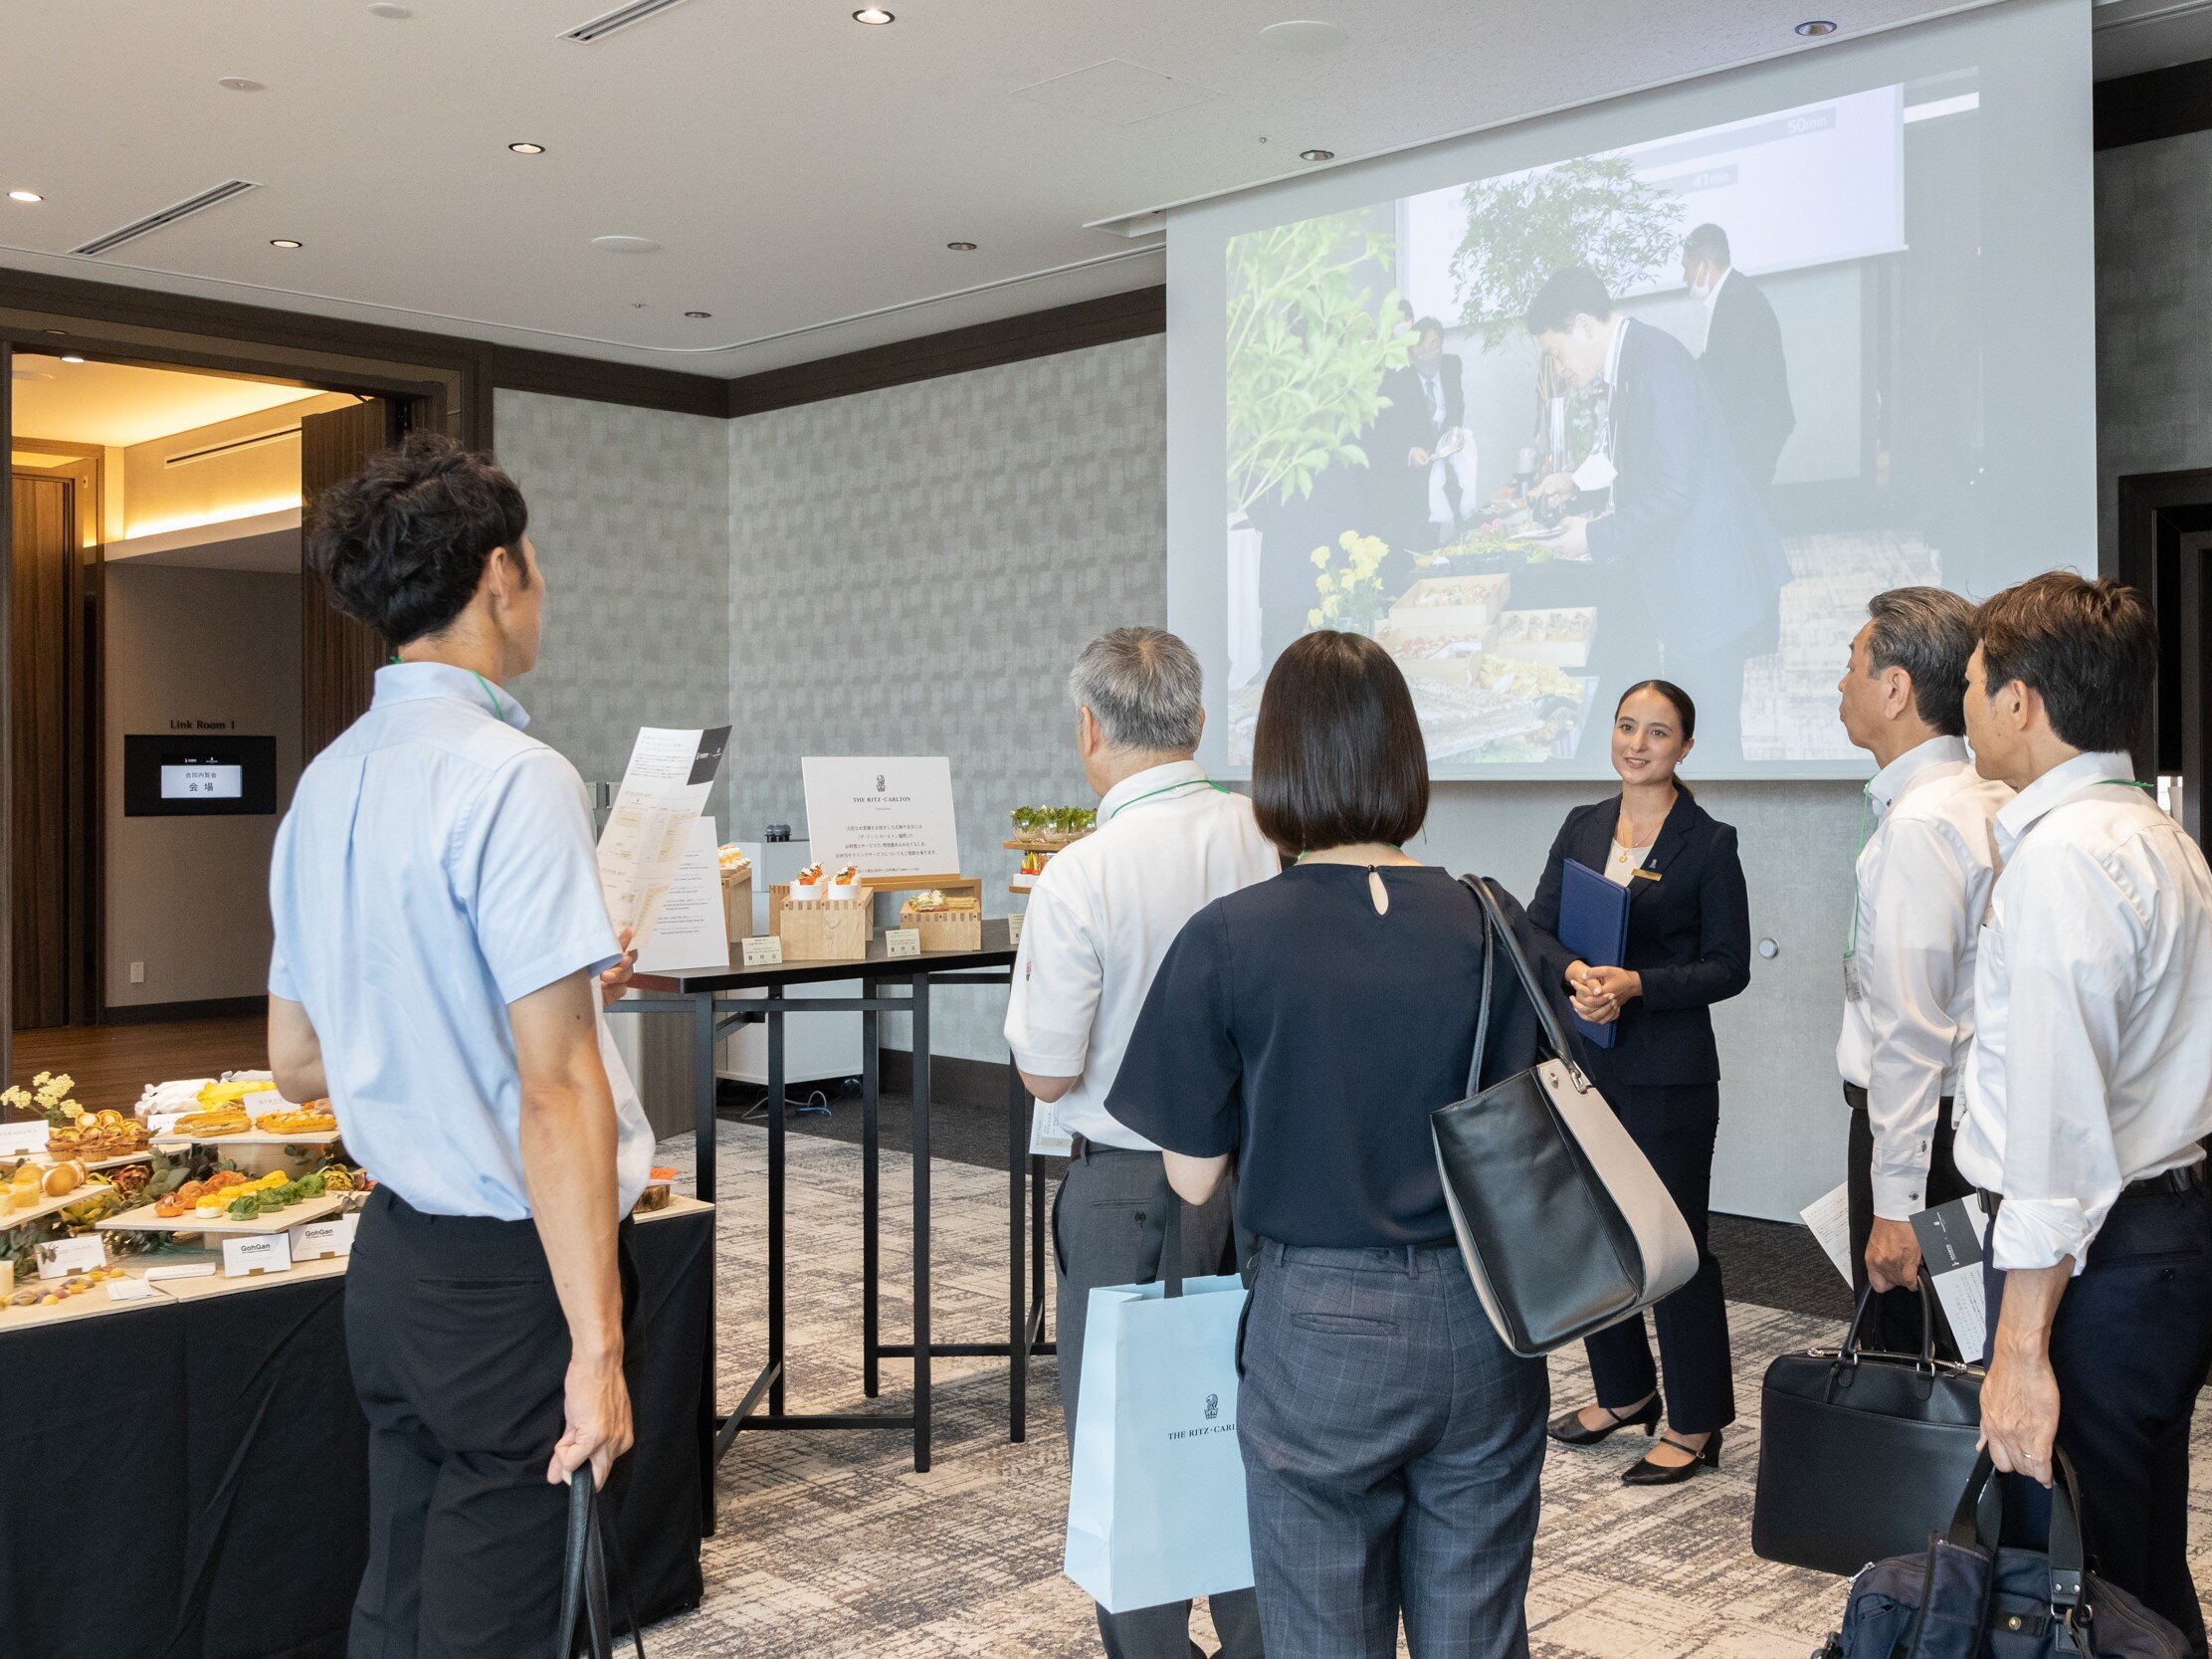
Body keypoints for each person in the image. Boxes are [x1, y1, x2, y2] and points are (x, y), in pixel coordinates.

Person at [267, 433, 653, 1657]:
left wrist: (514, 991)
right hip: (507, 1282)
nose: (540, 588)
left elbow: (297, 1055)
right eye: (536, 563)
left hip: (391, 1271)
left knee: (404, 1602)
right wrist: (598, 1347)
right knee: (501, 1618)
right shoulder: (515, 775)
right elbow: (557, 1088)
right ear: (498, 572)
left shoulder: (324, 782)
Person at [1107, 629, 1558, 1659]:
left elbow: (1191, 1171)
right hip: (1487, 1310)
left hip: (1318, 1323)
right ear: (1406, 760)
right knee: (1478, 1633)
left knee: (1318, 1632)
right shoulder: (1492, 919)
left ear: (1277, 765)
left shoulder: (1232, 936)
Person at [1004, 626, 1275, 1659]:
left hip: (1123, 1190)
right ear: (1200, 722)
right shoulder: (1270, 840)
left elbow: (1045, 1070)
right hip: (1261, 1186)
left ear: (1089, 729)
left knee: (1129, 1441)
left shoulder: (1081, 872)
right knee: (1258, 1427)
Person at [1955, 571, 2212, 1653]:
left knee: (2083, 1577)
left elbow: (2058, 1132)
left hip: (2099, 1259)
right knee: (2136, 1557)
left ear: (2021, 702)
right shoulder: (2154, 834)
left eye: (1969, 683)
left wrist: (2019, 1348)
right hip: (2158, 1240)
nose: (1959, 704)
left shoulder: (2066, 857)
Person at [1528, 680, 1751, 1485]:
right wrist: (1575, 973)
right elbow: (1535, 926)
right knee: (1592, 1231)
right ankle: (1624, 1391)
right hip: (1587, 1061)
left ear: (1684, 747)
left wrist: (1638, 985)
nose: (1637, 743)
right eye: (1626, 726)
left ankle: (1696, 1419)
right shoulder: (1582, 825)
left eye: (1657, 732)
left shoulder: (1709, 840)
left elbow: (1729, 966)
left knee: (1672, 1243)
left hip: (1668, 1074)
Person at [1833, 587, 2010, 1357]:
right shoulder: (1984, 797)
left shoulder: (1921, 823)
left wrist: (1896, 1199)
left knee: (1915, 1354)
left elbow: (1912, 1027)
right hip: (1960, 1128)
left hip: (1928, 1141)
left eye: (1850, 666)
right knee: (1967, 1341)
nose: (1840, 685)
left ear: (1896, 687)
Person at [1527, 266, 1791, 765]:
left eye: (1556, 353)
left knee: (1713, 748)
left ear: (1582, 325)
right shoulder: (1633, 358)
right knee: (1698, 739)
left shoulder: (1655, 364)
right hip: (1692, 582)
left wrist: (1594, 537)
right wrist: (1575, 482)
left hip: (1708, 586)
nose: (1559, 367)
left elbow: (1674, 492)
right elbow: (1632, 454)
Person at [1682, 224, 1794, 491]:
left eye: (1686, 267)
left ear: (1705, 266)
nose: (1684, 277)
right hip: (1751, 424)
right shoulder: (1731, 293)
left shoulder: (1737, 299)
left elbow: (1725, 374)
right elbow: (1713, 362)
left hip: (1756, 426)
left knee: (1748, 504)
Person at [1376, 314, 1479, 548]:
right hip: (1415, 481)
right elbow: (1386, 436)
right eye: (1421, 350)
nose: (1430, 354)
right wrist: (1410, 452)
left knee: (1459, 529)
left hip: (1447, 468)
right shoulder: (1397, 385)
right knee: (1421, 539)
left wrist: (1454, 433)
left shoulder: (1452, 366)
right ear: (1410, 355)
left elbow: (1456, 405)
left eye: (1434, 346)